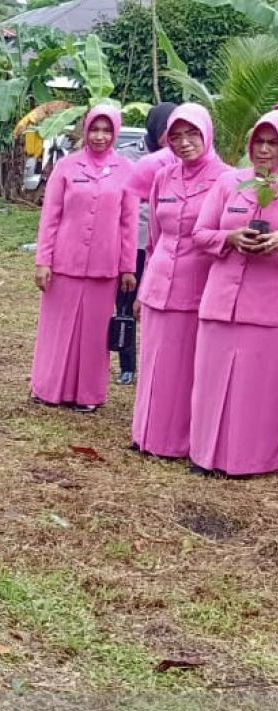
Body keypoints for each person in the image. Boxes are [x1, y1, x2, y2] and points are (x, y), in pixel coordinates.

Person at [131, 104, 228, 459]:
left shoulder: (226, 179)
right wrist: (143, 291)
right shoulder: (163, 178)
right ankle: (145, 434)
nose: (184, 143)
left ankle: (178, 441)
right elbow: (154, 239)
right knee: (153, 362)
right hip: (159, 283)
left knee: (184, 366)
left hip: (197, 285)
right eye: (176, 136)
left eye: (192, 134)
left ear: (207, 133)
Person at [32, 105, 139, 412]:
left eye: (107, 130)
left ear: (115, 133)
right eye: (94, 129)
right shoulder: (66, 167)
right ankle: (47, 388)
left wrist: (127, 267)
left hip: (104, 266)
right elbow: (50, 217)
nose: (100, 136)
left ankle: (88, 395)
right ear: (85, 130)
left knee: (94, 334)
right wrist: (43, 260)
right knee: (56, 328)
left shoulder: (126, 171)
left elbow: (129, 223)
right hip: (64, 262)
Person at [189, 110, 278, 476]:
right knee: (210, 383)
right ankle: (204, 455)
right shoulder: (229, 183)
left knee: (255, 390)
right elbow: (200, 234)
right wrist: (230, 237)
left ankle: (249, 460)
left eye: (274, 143)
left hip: (266, 306)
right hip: (220, 301)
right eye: (260, 141)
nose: (265, 149)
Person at [115, 102, 178, 385]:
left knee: (155, 308)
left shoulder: (182, 159)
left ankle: (157, 365)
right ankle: (127, 364)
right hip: (134, 244)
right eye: (165, 130)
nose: (169, 136)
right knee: (126, 305)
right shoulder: (130, 156)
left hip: (164, 247)